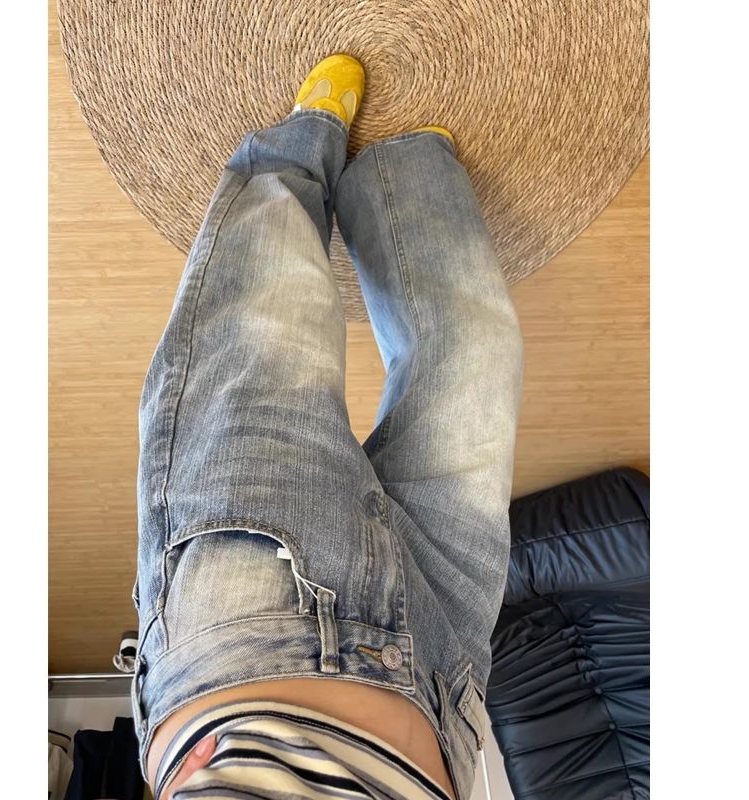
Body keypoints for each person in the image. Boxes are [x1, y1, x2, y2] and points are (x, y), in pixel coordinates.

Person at [132, 53, 523, 800]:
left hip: (254, 643)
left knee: (263, 313)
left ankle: (303, 139)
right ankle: (405, 178)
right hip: (444, 686)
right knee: (473, 358)